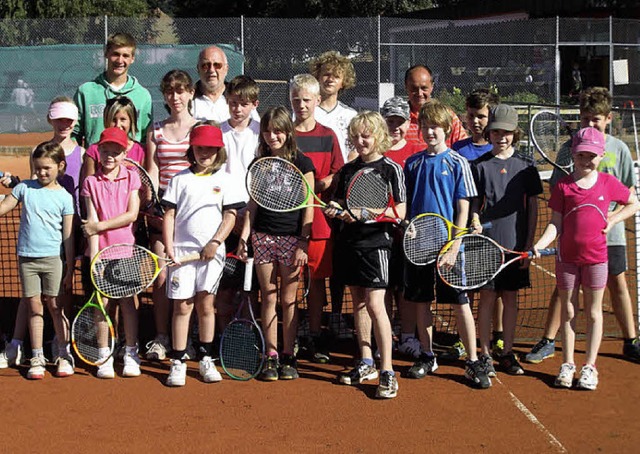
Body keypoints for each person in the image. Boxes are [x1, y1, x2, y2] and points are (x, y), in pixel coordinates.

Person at [525, 87, 640, 364]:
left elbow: (629, 194)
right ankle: (549, 340)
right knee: (565, 290)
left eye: (596, 119)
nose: (590, 124)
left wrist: (612, 219)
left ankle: (631, 340)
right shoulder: (568, 149)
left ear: (608, 118)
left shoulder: (620, 149)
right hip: (574, 237)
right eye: (586, 118)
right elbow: (557, 190)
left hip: (608, 237)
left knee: (617, 283)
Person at [403, 99, 490, 389]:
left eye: (436, 127)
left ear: (446, 130)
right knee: (421, 302)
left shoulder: (457, 163)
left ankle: (473, 360)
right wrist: (410, 229)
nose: (430, 132)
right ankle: (427, 356)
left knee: (460, 302)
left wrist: (454, 245)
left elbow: (463, 209)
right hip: (419, 247)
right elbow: (407, 206)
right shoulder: (412, 164)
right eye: (426, 127)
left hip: (449, 248)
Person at [325, 111, 405, 399]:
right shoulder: (347, 171)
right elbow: (338, 201)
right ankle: (366, 361)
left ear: (379, 136)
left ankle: (387, 370)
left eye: (367, 135)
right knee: (358, 303)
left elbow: (401, 211)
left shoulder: (391, 169)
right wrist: (334, 209)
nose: (361, 141)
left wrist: (365, 213)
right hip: (350, 244)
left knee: (375, 303)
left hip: (377, 245)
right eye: (357, 136)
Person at [0, 98, 84, 369]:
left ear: (59, 167)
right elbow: (10, 202)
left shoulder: (77, 164)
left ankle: (63, 350)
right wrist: (16, 184)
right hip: (28, 256)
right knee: (33, 302)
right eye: (38, 168)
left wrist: (70, 265)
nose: (41, 171)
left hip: (57, 254)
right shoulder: (29, 180)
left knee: (57, 304)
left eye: (47, 168)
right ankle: (33, 351)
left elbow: (69, 234)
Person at [164, 123, 245, 387]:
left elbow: (230, 216)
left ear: (219, 151)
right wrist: (169, 248)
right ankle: (178, 361)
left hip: (212, 254)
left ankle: (205, 358)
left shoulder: (225, 180)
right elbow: (169, 215)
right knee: (182, 306)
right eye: (200, 148)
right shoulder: (179, 180)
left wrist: (215, 242)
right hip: (182, 254)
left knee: (206, 305)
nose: (205, 153)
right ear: (192, 149)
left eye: (210, 149)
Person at [238, 106, 314, 382]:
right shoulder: (258, 164)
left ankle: (288, 355)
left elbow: (308, 206)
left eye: (278, 131)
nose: (273, 136)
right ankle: (270, 356)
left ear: (288, 132)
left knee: (288, 299)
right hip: (262, 236)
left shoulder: (303, 164)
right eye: (268, 131)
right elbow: (252, 205)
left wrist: (304, 242)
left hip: (292, 239)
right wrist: (246, 237)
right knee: (268, 296)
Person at [470, 104, 543, 377]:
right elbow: (476, 203)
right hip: (486, 246)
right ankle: (485, 353)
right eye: (497, 131)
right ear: (489, 133)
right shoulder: (479, 166)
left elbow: (533, 207)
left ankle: (508, 352)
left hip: (515, 247)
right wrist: (475, 219)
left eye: (507, 132)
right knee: (487, 298)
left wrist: (527, 243)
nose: (501, 137)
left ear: (515, 134)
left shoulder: (526, 166)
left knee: (510, 298)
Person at [290, 74, 344, 363]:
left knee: (316, 282)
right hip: (286, 222)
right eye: (296, 99)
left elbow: (338, 170)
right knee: (286, 283)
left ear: (318, 101)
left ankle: (314, 334)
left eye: (307, 99)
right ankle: (288, 337)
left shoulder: (328, 135)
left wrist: (322, 184)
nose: (301, 104)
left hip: (320, 223)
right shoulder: (284, 135)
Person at [444, 88, 501, 362]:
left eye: (481, 116)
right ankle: (462, 338)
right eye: (471, 115)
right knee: (463, 286)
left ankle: (494, 336)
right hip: (462, 231)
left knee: (491, 288)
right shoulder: (456, 150)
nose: (476, 121)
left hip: (492, 230)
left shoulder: (498, 149)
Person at [145, 70, 198, 361]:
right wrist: (154, 199)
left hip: (192, 215)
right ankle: (161, 337)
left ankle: (186, 338)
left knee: (188, 277)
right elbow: (152, 170)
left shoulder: (201, 128)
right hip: (162, 212)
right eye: (170, 92)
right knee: (162, 276)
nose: (175, 97)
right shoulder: (155, 130)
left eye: (180, 91)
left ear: (190, 93)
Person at [80, 127, 142, 378]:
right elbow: (91, 224)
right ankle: (104, 353)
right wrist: (95, 260)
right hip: (101, 254)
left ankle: (131, 352)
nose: (110, 156)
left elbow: (132, 215)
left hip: (125, 251)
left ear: (124, 152)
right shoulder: (89, 182)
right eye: (105, 150)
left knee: (128, 303)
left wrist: (100, 226)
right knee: (102, 305)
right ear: (98, 151)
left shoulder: (132, 177)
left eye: (115, 152)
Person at [216, 75, 261, 331]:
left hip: (254, 218)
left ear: (254, 104)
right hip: (224, 218)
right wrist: (230, 216)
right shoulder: (218, 131)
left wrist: (248, 215)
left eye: (243, 103)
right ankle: (221, 334)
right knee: (223, 285)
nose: (237, 108)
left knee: (250, 285)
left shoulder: (261, 133)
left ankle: (246, 332)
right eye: (233, 102)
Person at [379, 96, 422, 360]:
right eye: (390, 121)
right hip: (380, 233)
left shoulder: (417, 153)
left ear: (408, 123)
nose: (395, 126)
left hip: (410, 234)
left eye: (400, 121)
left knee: (405, 289)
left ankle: (407, 337)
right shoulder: (375, 151)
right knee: (382, 287)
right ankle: (383, 336)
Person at [73, 32, 153, 147]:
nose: (120, 61)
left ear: (132, 58)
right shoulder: (86, 92)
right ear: (106, 54)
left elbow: (146, 138)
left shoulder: (143, 96)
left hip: (130, 164)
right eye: (115, 54)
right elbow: (75, 133)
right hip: (96, 163)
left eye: (125, 56)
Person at [80, 96, 146, 182]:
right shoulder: (93, 151)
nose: (118, 125)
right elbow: (88, 186)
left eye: (123, 119)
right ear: (106, 120)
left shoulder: (141, 151)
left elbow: (145, 187)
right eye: (113, 120)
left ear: (131, 121)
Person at [308, 51, 358, 162]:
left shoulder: (351, 115)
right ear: (317, 77)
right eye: (326, 74)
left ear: (343, 82)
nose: (330, 80)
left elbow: (354, 152)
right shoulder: (306, 111)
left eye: (336, 76)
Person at [404, 65, 467, 149]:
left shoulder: (448, 117)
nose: (419, 93)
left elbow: (463, 148)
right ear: (406, 87)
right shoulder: (399, 120)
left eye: (424, 88)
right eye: (414, 88)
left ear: (432, 86)